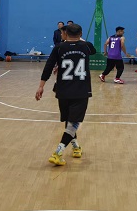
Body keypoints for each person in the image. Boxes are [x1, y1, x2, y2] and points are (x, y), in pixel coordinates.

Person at [35, 23, 95, 166]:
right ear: (81, 34)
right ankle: (58, 152)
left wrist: (41, 86)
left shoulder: (59, 47)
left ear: (66, 33)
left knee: (69, 121)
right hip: (81, 90)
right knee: (73, 122)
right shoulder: (87, 46)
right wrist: (79, 39)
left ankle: (76, 147)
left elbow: (48, 66)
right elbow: (92, 50)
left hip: (63, 90)